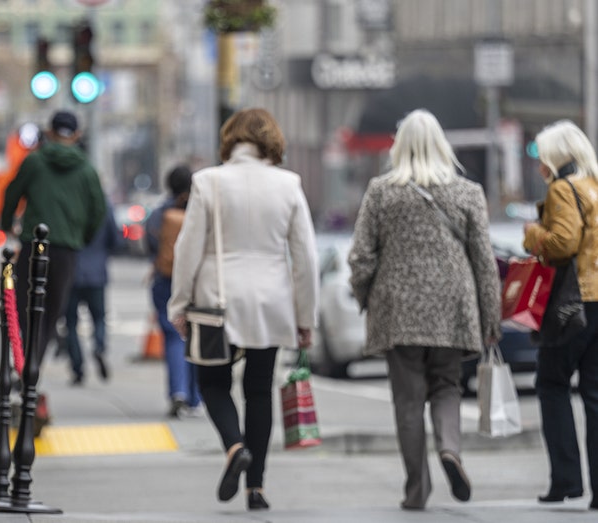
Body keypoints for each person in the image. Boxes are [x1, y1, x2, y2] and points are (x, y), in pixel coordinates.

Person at [347, 108, 501, 511]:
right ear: (441, 145)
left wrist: (365, 297)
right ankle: (450, 448)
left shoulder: (381, 191)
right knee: (448, 387)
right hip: (453, 305)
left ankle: (416, 489)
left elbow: (361, 257)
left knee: (408, 400)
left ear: (399, 147)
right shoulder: (468, 192)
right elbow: (484, 261)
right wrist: (491, 317)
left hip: (398, 310)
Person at [168, 108, 318, 511]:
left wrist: (179, 302)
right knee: (258, 390)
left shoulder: (208, 182)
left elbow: (188, 250)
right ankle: (257, 488)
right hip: (270, 303)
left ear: (231, 139)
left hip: (216, 300)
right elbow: (305, 257)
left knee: (213, 384)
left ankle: (235, 447)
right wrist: (305, 317)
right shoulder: (289, 184)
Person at [522, 119, 598, 510]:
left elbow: (563, 242)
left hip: (574, 303)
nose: (540, 167)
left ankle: (566, 480)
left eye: (543, 158)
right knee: (595, 394)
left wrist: (533, 234)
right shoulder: (595, 185)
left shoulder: (563, 189)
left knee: (551, 383)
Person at [0, 110, 106, 369]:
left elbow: (11, 194)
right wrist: (80, 236)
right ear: (78, 134)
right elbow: (98, 211)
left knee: (26, 308)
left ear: (49, 132)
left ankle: (24, 362)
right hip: (66, 250)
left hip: (32, 246)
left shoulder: (34, 162)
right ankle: (32, 366)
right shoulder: (87, 169)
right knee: (51, 312)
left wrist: (7, 227)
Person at [146, 164, 202, 418]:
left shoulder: (159, 213)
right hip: (196, 281)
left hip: (165, 279)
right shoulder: (199, 211)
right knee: (198, 336)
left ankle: (177, 392)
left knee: (172, 335)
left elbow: (150, 245)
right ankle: (195, 397)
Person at [64, 198, 121, 385]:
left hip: (71, 272)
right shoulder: (104, 206)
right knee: (99, 318)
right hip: (96, 273)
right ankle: (99, 347)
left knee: (70, 323)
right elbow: (116, 239)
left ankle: (77, 368)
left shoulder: (69, 204)